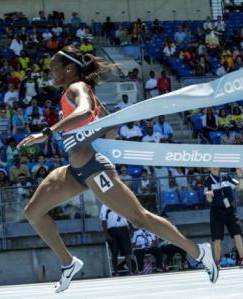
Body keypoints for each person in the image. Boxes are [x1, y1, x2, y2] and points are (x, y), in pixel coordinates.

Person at [17, 45, 218, 293]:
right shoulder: (80, 91)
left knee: (139, 218)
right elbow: (110, 128)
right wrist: (91, 128)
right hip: (75, 171)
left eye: (53, 69)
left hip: (94, 168)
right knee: (33, 212)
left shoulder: (76, 87)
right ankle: (68, 263)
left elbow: (85, 111)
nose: (50, 74)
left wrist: (49, 131)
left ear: (69, 69)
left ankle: (199, 252)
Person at [99, 204, 133, 276]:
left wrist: (131, 228)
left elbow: (128, 217)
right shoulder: (105, 205)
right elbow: (103, 220)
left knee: (127, 252)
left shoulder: (122, 203)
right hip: (112, 230)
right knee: (114, 252)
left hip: (124, 229)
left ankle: (130, 271)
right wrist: (106, 234)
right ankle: (116, 272)